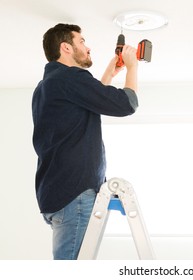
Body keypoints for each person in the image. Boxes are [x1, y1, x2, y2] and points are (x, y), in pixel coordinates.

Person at [31, 23, 139, 260]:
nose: (88, 47)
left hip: (59, 192)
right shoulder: (69, 77)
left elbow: (89, 102)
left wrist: (110, 74)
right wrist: (132, 67)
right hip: (75, 194)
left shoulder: (47, 86)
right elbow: (126, 104)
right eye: (82, 41)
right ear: (66, 47)